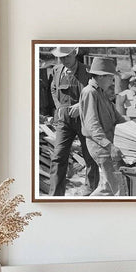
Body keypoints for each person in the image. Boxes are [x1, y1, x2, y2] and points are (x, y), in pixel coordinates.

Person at [49, 46, 99, 196]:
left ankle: (90, 190)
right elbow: (53, 88)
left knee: (89, 155)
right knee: (58, 155)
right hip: (64, 119)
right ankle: (55, 195)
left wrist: (81, 105)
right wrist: (59, 106)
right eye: (61, 57)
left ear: (74, 54)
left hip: (85, 118)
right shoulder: (57, 70)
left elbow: (97, 92)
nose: (63, 60)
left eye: (66, 57)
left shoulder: (88, 71)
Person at [79, 57, 126, 196]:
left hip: (106, 141)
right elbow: (92, 125)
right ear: (101, 76)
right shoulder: (90, 92)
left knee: (107, 187)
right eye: (111, 77)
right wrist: (109, 146)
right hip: (100, 145)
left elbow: (116, 116)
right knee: (118, 188)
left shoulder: (100, 92)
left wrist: (133, 128)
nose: (112, 81)